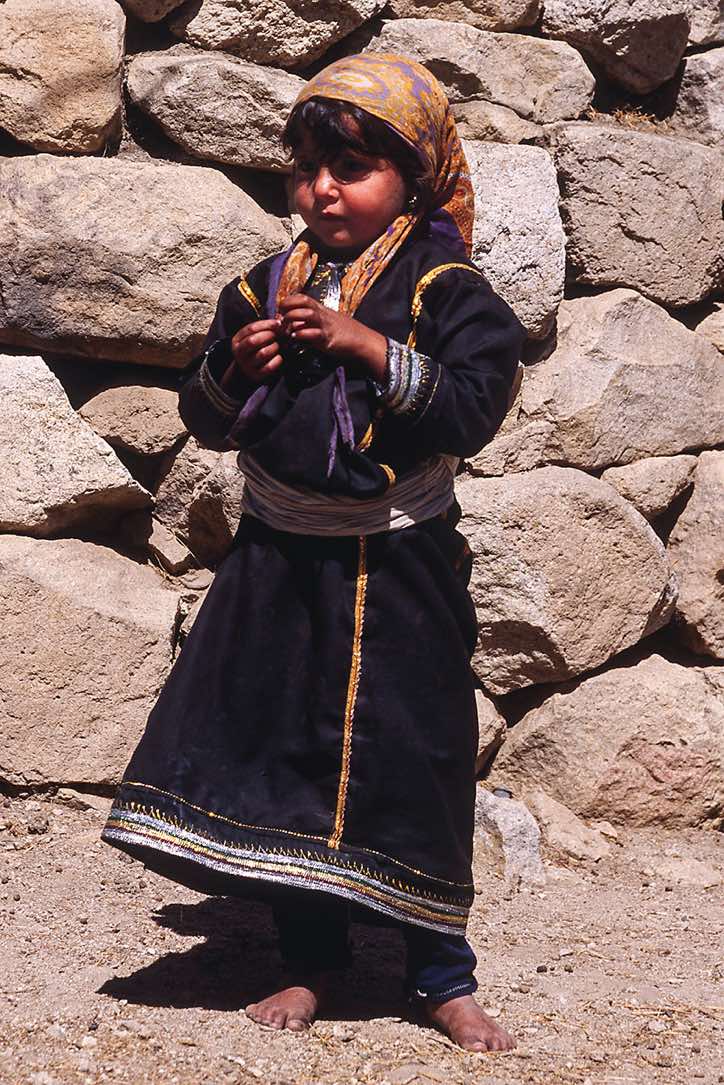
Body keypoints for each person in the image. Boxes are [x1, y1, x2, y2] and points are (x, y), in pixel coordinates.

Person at [101, 52, 525, 1053]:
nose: (324, 189)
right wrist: (229, 368)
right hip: (277, 562)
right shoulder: (263, 284)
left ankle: (440, 974)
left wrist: (369, 349)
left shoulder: (447, 286)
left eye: (354, 168)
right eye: (307, 169)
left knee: (418, 759)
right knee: (288, 751)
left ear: (415, 177)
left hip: (398, 565)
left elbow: (473, 407)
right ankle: (311, 958)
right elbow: (203, 419)